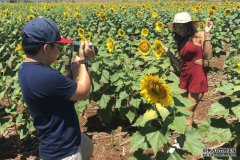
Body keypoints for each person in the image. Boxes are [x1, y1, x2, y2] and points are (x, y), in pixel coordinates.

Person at [18, 17, 94, 160]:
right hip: (64, 151)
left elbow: (59, 86)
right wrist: (85, 62)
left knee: (87, 145)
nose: (60, 50)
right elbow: (83, 92)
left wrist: (76, 66)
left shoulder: (25, 69)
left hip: (62, 137)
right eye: (59, 46)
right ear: (46, 48)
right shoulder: (45, 76)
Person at [168, 12, 213, 127]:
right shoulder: (181, 40)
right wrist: (169, 53)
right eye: (176, 26)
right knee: (183, 110)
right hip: (185, 76)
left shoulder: (200, 36)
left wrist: (207, 34)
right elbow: (180, 64)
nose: (178, 29)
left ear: (189, 25)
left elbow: (208, 56)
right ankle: (186, 138)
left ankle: (183, 142)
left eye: (181, 25)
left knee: (187, 113)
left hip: (197, 77)